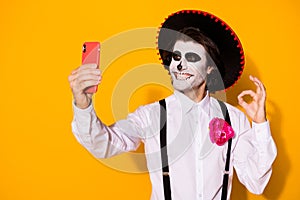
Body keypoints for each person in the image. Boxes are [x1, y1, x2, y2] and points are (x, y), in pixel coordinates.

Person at [68, 10, 277, 200]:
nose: (179, 64)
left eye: (191, 57)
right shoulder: (151, 115)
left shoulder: (234, 118)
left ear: (210, 68)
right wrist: (83, 104)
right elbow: (103, 144)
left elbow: (256, 183)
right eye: (176, 56)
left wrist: (260, 124)